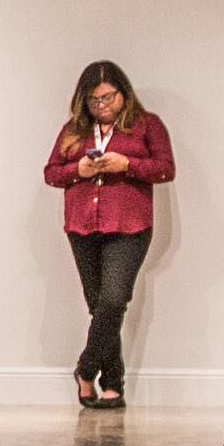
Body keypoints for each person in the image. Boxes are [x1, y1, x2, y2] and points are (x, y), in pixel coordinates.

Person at [44, 63, 174, 410]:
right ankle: (112, 385)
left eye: (107, 97)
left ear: (123, 92)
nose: (101, 106)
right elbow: (51, 173)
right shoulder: (73, 131)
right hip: (82, 226)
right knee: (99, 306)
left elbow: (166, 168)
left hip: (129, 225)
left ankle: (86, 370)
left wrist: (126, 165)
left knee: (114, 300)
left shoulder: (147, 125)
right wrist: (79, 170)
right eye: (93, 100)